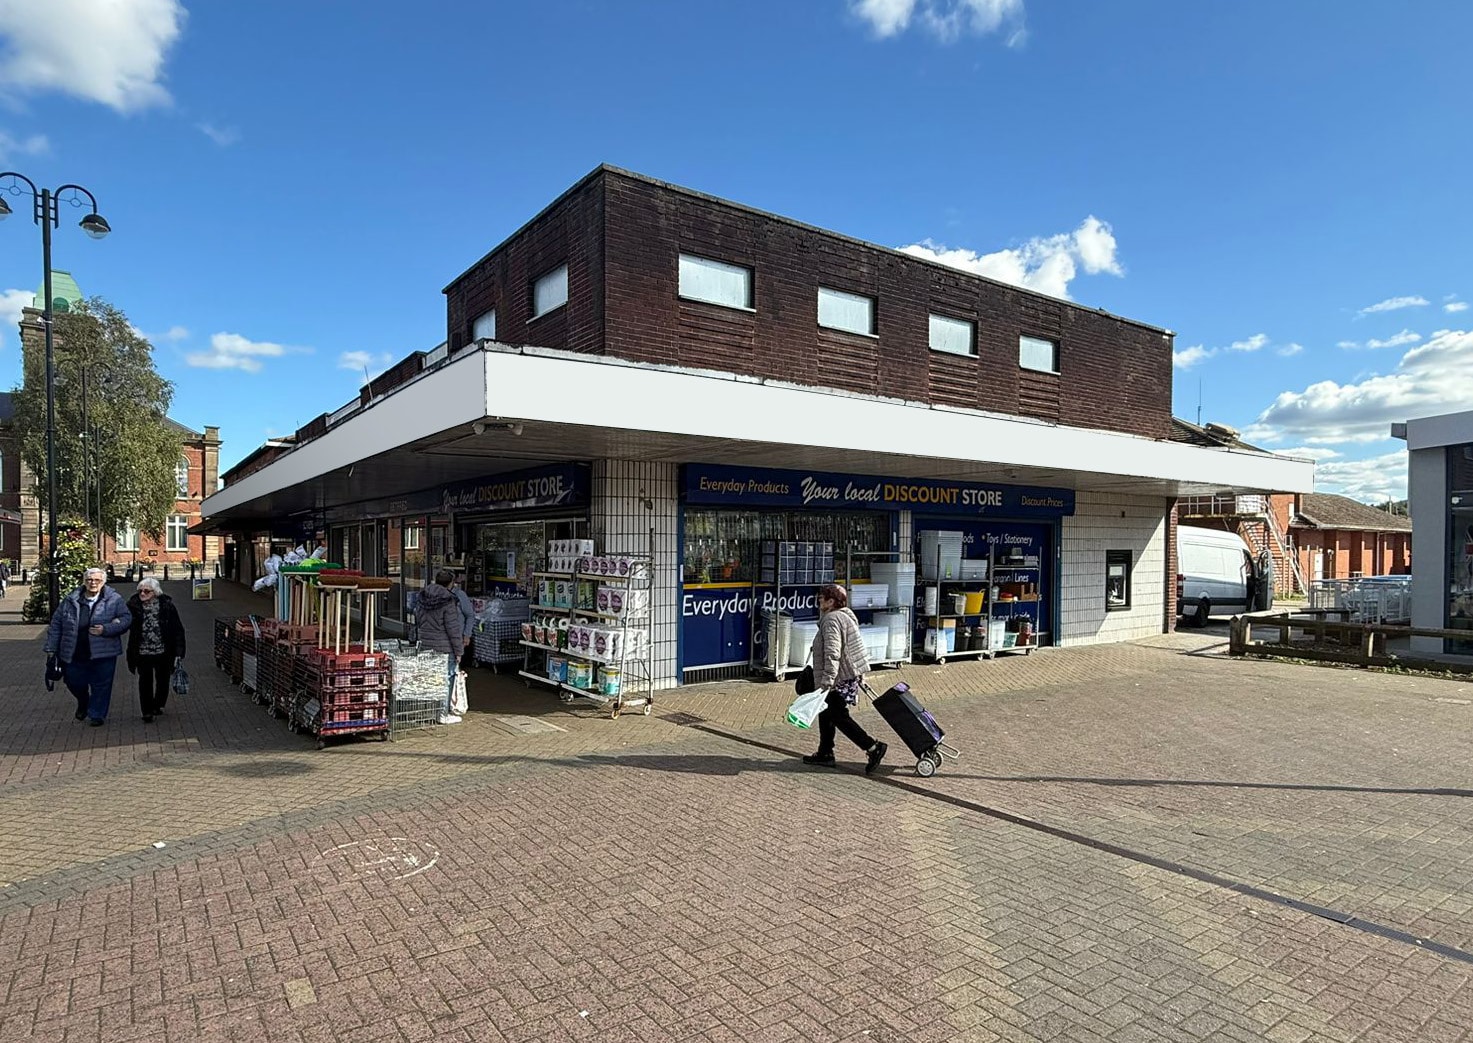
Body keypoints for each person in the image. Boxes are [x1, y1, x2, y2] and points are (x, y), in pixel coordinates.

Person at [802, 583, 887, 774]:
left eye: (822, 597)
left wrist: (827, 681)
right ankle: (825, 753)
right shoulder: (843, 616)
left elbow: (833, 653)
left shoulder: (832, 619)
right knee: (826, 712)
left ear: (831, 602)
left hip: (837, 677)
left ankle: (872, 747)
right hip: (846, 675)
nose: (818, 600)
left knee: (838, 716)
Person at [44, 567, 132, 726]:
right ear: (84, 582)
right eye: (89, 580)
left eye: (97, 580)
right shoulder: (71, 600)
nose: (93, 583)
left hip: (104, 652)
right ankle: (83, 701)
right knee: (73, 681)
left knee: (102, 684)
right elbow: (56, 624)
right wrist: (51, 648)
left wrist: (107, 629)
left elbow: (126, 619)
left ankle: (96, 714)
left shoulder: (114, 599)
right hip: (74, 650)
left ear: (103, 582)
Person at [125, 577, 186, 723]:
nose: (143, 594)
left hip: (163, 650)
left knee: (163, 679)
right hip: (142, 650)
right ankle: (146, 711)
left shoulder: (166, 605)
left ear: (155, 592)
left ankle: (158, 704)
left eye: (147, 591)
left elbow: (177, 629)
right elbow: (123, 621)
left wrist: (179, 651)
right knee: (144, 681)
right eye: (140, 591)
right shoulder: (133, 605)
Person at [416, 569, 465, 725]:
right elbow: (453, 629)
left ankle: (430, 710)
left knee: (431, 678)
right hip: (444, 647)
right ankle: (442, 713)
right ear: (451, 584)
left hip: (426, 643)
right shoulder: (448, 600)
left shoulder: (423, 597)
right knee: (446, 679)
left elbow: (418, 619)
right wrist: (459, 651)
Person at [450, 571, 477, 670]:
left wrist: (467, 635)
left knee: (457, 668)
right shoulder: (436, 595)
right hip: (443, 639)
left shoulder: (460, 595)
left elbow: (470, 615)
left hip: (458, 637)